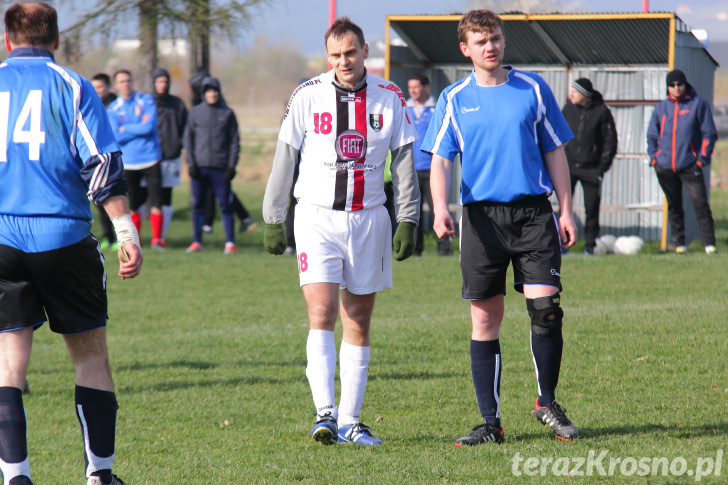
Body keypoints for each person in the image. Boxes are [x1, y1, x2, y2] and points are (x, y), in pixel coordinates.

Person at [0, 3, 143, 484]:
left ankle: (14, 474)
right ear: (56, 40)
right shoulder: (73, 85)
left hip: (1, 240)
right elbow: (101, 164)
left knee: (9, 362)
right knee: (89, 355)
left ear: (6, 41)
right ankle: (100, 474)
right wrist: (125, 231)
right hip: (62, 236)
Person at [422, 9, 579, 446]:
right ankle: (490, 423)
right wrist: (439, 209)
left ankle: (547, 402)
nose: (490, 46)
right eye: (480, 41)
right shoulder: (454, 98)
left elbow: (555, 153)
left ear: (503, 40)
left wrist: (565, 209)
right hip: (481, 221)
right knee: (485, 318)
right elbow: (439, 159)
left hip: (533, 215)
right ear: (465, 49)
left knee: (546, 309)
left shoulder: (532, 89)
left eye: (495, 38)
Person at [262, 17, 419, 446]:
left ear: (365, 50)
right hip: (316, 217)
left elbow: (404, 161)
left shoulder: (389, 97)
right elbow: (285, 157)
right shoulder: (308, 95)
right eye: (335, 55)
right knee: (322, 312)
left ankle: (351, 421)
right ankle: (324, 412)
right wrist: (274, 216)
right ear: (326, 56)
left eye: (350, 52)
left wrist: (409, 217)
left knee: (359, 319)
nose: (343, 61)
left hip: (369, 219)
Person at [647, 69, 718, 254]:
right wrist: (655, 159)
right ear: (667, 88)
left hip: (690, 165)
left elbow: (709, 133)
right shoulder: (661, 108)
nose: (676, 88)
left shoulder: (697, 105)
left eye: (680, 85)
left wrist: (701, 160)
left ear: (685, 85)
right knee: (674, 205)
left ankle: (710, 245)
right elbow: (652, 135)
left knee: (700, 204)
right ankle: (680, 245)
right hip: (665, 167)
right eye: (672, 85)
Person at [107, 69, 165, 249]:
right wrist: (133, 128)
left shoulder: (146, 100)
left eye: (128, 80)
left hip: (150, 157)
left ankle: (157, 240)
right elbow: (116, 135)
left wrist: (126, 128)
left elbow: (148, 127)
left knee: (156, 200)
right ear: (116, 86)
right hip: (129, 161)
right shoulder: (113, 108)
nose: (126, 84)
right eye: (122, 81)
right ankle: (136, 240)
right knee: (132, 203)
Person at [184, 76, 240, 254]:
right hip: (199, 168)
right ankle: (197, 241)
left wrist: (231, 166)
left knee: (225, 205)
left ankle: (230, 242)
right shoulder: (195, 113)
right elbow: (188, 139)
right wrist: (191, 164)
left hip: (221, 168)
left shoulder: (227, 113)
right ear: (203, 94)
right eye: (209, 91)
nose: (212, 94)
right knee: (198, 205)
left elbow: (234, 141)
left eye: (215, 91)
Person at [561, 77, 618, 255]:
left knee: (591, 208)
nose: (571, 94)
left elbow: (610, 141)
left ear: (585, 95)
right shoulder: (567, 109)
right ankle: (563, 244)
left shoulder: (602, 112)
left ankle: (589, 247)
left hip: (591, 169)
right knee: (564, 207)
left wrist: (601, 168)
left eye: (575, 92)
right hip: (569, 166)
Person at [406, 73, 453, 256]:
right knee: (414, 212)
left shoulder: (435, 109)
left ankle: (444, 249)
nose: (413, 91)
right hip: (412, 169)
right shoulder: (405, 110)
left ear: (426, 87)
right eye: (410, 88)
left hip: (434, 168)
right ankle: (416, 250)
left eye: (416, 87)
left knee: (438, 209)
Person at [152, 68, 188, 246]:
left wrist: (178, 146)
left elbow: (185, 129)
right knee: (144, 197)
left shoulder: (178, 104)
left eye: (165, 82)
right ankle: (143, 237)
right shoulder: (147, 103)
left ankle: (161, 237)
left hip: (171, 157)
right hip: (150, 158)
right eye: (159, 81)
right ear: (154, 83)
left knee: (166, 197)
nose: (162, 85)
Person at [90, 73, 119, 251]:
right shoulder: (88, 103)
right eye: (95, 87)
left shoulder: (115, 105)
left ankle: (118, 237)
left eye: (101, 87)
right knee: (99, 200)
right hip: (95, 157)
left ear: (108, 87)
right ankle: (108, 236)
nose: (98, 91)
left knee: (114, 197)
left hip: (113, 156)